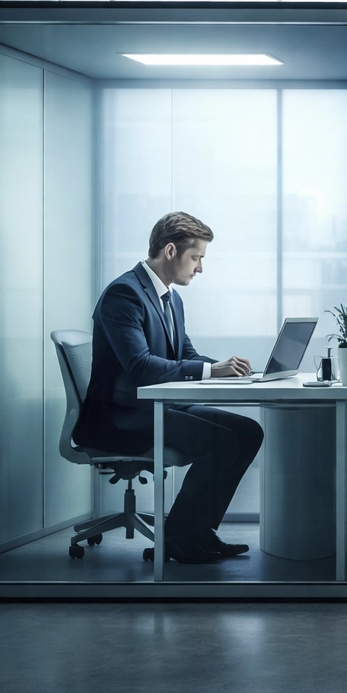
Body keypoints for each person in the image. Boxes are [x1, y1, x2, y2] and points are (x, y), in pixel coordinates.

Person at [74, 212, 263, 564]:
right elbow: (141, 367)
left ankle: (198, 532)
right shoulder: (123, 294)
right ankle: (177, 538)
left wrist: (230, 371)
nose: (200, 268)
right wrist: (211, 370)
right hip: (120, 417)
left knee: (249, 431)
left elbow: (185, 356)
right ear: (171, 251)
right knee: (221, 441)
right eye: (196, 257)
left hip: (158, 407)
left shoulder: (171, 299)